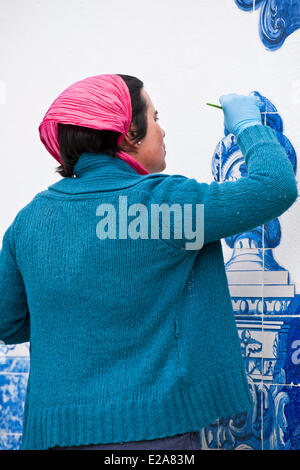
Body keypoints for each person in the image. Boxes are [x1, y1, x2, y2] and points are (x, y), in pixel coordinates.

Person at [0, 74, 297, 451]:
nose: (163, 131)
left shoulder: (29, 220)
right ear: (128, 133)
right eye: (155, 118)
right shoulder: (163, 205)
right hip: (149, 437)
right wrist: (249, 126)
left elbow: (7, 322)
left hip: (51, 436)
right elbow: (275, 187)